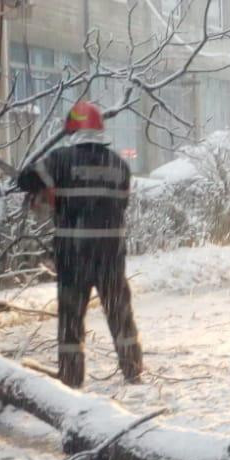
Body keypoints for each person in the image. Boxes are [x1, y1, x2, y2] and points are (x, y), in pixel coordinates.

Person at [15, 100, 143, 387]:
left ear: (72, 130)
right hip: (111, 253)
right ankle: (133, 369)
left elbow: (24, 179)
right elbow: (119, 205)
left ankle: (71, 379)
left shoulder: (60, 160)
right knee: (120, 312)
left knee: (71, 319)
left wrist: (51, 193)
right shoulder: (120, 165)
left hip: (74, 253)